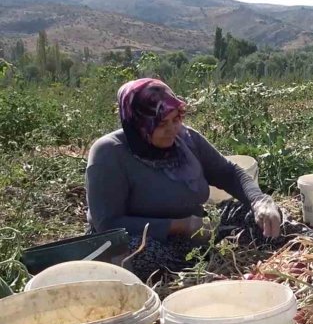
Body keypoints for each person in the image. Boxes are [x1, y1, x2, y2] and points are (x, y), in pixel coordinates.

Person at [85, 78, 282, 280]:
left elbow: (227, 172)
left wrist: (259, 201)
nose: (172, 129)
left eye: (176, 119)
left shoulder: (186, 139)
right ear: (137, 123)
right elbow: (108, 223)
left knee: (266, 219)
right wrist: (181, 225)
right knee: (140, 254)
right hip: (149, 241)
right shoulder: (109, 153)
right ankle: (191, 272)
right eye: (161, 124)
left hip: (196, 233)